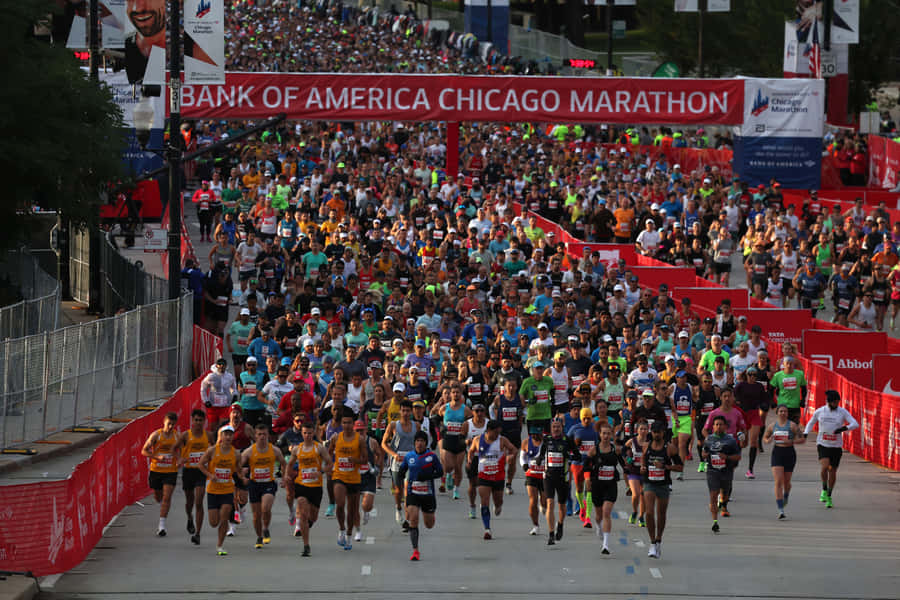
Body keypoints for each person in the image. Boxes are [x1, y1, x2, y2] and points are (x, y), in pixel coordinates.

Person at [803, 390, 860, 509]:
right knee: (825, 467)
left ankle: (829, 495)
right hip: (823, 444)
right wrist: (805, 433)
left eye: (838, 402)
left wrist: (843, 428)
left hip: (836, 445)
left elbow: (855, 423)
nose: (836, 404)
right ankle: (824, 488)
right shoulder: (820, 411)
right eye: (834, 402)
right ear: (828, 402)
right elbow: (811, 422)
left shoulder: (842, 412)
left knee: (832, 471)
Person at [198, 425, 247, 556]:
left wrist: (243, 477)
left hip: (227, 490)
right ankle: (220, 527)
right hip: (213, 490)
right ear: (221, 436)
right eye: (225, 434)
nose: (228, 437)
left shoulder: (236, 453)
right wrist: (210, 475)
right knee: (214, 522)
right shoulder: (212, 451)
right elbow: (200, 464)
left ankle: (220, 545)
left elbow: (238, 469)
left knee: (224, 516)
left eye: (230, 435)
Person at [286, 421, 332, 557]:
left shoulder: (319, 448)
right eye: (305, 433)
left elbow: (330, 463)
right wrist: (288, 476)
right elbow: (289, 464)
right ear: (302, 433)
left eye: (310, 433)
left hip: (316, 487)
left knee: (313, 516)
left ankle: (307, 524)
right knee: (303, 513)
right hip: (301, 484)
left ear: (314, 433)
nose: (307, 436)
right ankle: (306, 546)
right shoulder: (297, 449)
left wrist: (321, 472)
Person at [397, 430, 444, 560]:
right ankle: (415, 551)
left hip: (428, 494)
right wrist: (400, 477)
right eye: (417, 441)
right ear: (414, 443)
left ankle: (431, 516)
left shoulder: (432, 456)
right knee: (414, 519)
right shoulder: (409, 456)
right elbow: (402, 471)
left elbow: (440, 472)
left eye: (422, 441)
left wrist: (428, 476)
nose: (419, 443)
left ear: (426, 443)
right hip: (413, 493)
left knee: (429, 525)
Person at [468, 419, 518, 540]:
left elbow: (514, 449)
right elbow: (471, 451)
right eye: (495, 432)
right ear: (489, 430)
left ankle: (498, 505)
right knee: (484, 501)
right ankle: (487, 529)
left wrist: (511, 457)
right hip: (483, 475)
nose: (497, 435)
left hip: (498, 476)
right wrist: (470, 460)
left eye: (499, 432)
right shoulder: (478, 440)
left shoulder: (502, 440)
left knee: (498, 501)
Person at [641, 420, 682, 559]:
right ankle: (652, 542)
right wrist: (643, 467)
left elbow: (680, 467)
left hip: (663, 484)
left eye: (658, 432)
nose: (656, 435)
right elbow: (643, 459)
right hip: (649, 483)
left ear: (663, 433)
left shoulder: (670, 448)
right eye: (654, 432)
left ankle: (659, 539)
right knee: (649, 512)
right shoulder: (646, 446)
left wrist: (665, 467)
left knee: (661, 514)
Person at [328, 407, 369, 550]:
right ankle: (341, 529)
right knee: (340, 504)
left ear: (353, 424)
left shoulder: (360, 440)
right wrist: (330, 466)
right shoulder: (335, 437)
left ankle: (349, 536)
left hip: (354, 478)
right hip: (339, 475)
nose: (346, 425)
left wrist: (356, 460)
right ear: (341, 424)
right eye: (344, 423)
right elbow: (329, 454)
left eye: (349, 423)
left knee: (352, 510)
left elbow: (365, 459)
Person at [241, 422, 286, 549]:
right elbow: (238, 466)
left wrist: (284, 477)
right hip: (254, 484)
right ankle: (259, 536)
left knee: (265, 508)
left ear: (268, 435)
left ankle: (266, 527)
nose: (262, 437)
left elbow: (284, 463)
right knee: (256, 516)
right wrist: (242, 476)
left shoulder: (274, 450)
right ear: (255, 436)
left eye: (264, 434)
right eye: (259, 434)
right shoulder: (249, 452)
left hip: (268, 483)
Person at [141, 411, 183, 537]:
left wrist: (180, 460)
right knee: (158, 497)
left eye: (173, 425)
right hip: (156, 470)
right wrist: (156, 456)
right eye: (169, 424)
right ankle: (162, 506)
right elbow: (144, 451)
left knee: (167, 497)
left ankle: (161, 526)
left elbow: (181, 452)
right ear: (164, 422)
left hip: (170, 471)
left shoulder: (177, 436)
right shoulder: (156, 435)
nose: (170, 427)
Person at [586, 422, 626, 554]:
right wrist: (587, 480)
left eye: (608, 433)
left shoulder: (616, 450)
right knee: (598, 515)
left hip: (610, 485)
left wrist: (630, 466)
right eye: (604, 433)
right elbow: (586, 467)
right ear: (600, 434)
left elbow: (624, 465)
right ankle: (598, 526)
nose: (606, 436)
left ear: (612, 435)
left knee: (606, 512)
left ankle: (606, 545)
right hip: (597, 485)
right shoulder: (593, 451)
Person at [539, 417, 579, 545]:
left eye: (558, 427)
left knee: (562, 505)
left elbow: (577, 456)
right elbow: (541, 454)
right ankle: (551, 534)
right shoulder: (547, 439)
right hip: (549, 477)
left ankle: (560, 525)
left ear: (562, 428)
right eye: (554, 427)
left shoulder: (567, 440)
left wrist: (569, 455)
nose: (556, 429)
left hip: (563, 478)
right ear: (551, 428)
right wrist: (539, 460)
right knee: (550, 503)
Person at [763, 404, 806, 519]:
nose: (783, 413)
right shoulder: (772, 426)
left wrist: (791, 441)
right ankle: (780, 509)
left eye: (785, 411)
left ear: (787, 413)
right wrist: (769, 440)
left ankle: (786, 495)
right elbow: (765, 438)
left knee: (786, 482)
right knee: (778, 481)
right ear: (777, 413)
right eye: (781, 411)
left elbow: (802, 439)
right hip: (777, 453)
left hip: (789, 454)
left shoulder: (792, 426)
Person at [382, 399, 419, 530]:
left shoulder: (416, 426)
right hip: (397, 462)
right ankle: (398, 508)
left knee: (408, 490)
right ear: (400, 411)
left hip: (411, 461)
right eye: (403, 410)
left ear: (411, 412)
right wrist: (393, 454)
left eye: (408, 411)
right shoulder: (393, 426)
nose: (405, 413)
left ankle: (408, 521)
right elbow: (384, 443)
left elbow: (419, 444)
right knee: (398, 490)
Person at [701, 415, 741, 531]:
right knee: (713, 495)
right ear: (713, 427)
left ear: (725, 427)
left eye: (721, 424)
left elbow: (738, 457)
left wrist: (726, 457)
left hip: (726, 471)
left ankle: (723, 504)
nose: (718, 426)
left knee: (725, 494)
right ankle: (715, 521)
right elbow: (703, 453)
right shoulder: (709, 439)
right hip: (712, 471)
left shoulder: (731, 440)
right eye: (716, 424)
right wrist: (705, 455)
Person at [180, 409, 214, 545]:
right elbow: (174, 448)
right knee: (190, 501)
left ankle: (198, 534)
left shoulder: (209, 435)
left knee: (199, 501)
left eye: (201, 420)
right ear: (192, 421)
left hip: (201, 471)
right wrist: (179, 458)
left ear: (204, 422)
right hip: (188, 471)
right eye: (196, 420)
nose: (198, 423)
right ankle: (189, 517)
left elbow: (214, 450)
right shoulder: (185, 436)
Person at [435, 384, 471, 500]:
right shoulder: (444, 408)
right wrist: (441, 428)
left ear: (461, 394)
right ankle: (449, 475)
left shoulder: (465, 409)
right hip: (448, 439)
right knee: (449, 465)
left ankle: (456, 489)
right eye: (453, 392)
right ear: (450, 394)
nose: (455, 394)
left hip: (459, 440)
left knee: (458, 467)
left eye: (457, 392)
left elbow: (470, 422)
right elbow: (437, 418)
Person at [568, 407, 599, 528]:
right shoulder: (575, 429)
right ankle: (581, 507)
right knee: (579, 488)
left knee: (589, 487)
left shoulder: (594, 429)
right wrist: (575, 444)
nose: (587, 420)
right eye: (584, 418)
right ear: (581, 418)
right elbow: (567, 442)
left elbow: (597, 445)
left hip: (589, 463)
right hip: (577, 462)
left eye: (589, 418)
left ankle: (587, 517)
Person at [355, 420, 382, 542]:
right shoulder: (350, 442)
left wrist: (377, 466)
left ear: (366, 430)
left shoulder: (371, 442)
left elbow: (379, 454)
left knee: (367, 505)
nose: (360, 432)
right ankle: (358, 531)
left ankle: (366, 512)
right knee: (354, 507)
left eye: (361, 430)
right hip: (354, 477)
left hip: (368, 477)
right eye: (357, 430)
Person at [520, 426, 545, 535]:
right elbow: (522, 457)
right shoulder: (526, 442)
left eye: (538, 435)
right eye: (534, 435)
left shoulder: (547, 442)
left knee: (545, 503)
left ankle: (542, 503)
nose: (536, 437)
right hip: (532, 475)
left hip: (544, 476)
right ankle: (535, 525)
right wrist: (524, 465)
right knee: (532, 500)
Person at [200, 359, 237, 432]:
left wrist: (235, 395)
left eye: (223, 364)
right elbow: (203, 389)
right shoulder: (211, 376)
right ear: (216, 365)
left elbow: (234, 388)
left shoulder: (230, 377)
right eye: (219, 364)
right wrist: (206, 400)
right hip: (213, 406)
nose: (221, 366)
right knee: (213, 429)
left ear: (226, 366)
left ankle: (222, 441)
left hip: (225, 406)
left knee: (223, 427)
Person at [770, 357, 807, 424]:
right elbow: (771, 390)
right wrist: (772, 402)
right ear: (783, 364)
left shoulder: (800, 374)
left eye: (791, 364)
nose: (789, 366)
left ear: (794, 365)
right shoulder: (778, 375)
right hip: (782, 405)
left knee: (794, 428)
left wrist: (803, 399)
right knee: (783, 427)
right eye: (787, 364)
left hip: (795, 405)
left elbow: (804, 388)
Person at [625, 420, 648, 527]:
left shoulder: (649, 442)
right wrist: (628, 458)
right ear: (637, 430)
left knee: (644, 495)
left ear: (648, 430)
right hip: (633, 471)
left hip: (645, 472)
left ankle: (641, 516)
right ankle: (634, 511)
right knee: (636, 494)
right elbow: (624, 450)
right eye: (641, 429)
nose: (643, 431)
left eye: (645, 429)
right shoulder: (632, 441)